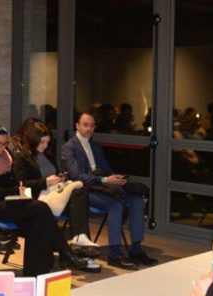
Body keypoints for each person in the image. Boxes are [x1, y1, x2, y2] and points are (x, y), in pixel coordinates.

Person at [0, 126, 96, 276]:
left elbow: (15, 181)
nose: (3, 147)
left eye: (5, 143)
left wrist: (18, 189)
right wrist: (11, 191)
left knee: (37, 223)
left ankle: (36, 273)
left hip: (12, 200)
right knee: (40, 208)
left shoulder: (6, 155)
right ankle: (66, 253)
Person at [61, 111, 155, 268]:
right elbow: (77, 175)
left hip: (102, 186)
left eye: (92, 125)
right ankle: (114, 254)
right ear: (77, 126)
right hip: (84, 190)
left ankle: (136, 250)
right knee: (115, 205)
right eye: (85, 125)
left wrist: (116, 178)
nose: (89, 129)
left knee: (137, 200)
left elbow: (106, 169)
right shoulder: (68, 148)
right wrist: (104, 180)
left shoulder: (95, 147)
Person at [14, 121, 100, 260]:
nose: (45, 145)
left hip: (55, 194)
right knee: (78, 197)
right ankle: (80, 243)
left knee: (80, 192)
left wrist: (60, 177)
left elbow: (56, 173)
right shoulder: (22, 157)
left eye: (47, 142)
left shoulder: (48, 155)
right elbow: (21, 183)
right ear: (33, 140)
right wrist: (45, 182)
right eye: (42, 142)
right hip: (40, 197)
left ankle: (80, 239)